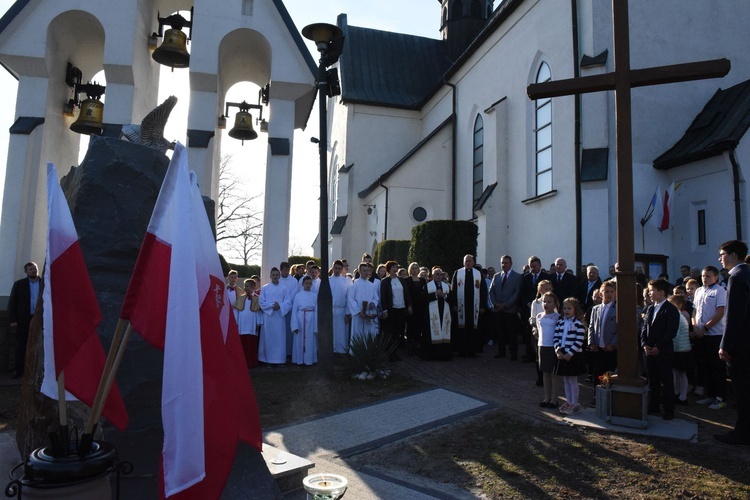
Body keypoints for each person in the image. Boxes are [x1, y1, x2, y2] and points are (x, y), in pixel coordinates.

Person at [716, 240, 750, 446]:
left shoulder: (736, 277)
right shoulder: (747, 273)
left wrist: (725, 345)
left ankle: (742, 433)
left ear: (734, 255)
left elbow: (734, 315)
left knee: (742, 390)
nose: (720, 258)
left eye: (722, 254)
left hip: (740, 344)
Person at [641, 279, 680, 420]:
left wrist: (659, 347)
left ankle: (669, 410)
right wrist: (644, 344)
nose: (649, 294)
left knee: (666, 381)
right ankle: (653, 405)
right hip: (649, 351)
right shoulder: (650, 308)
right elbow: (644, 328)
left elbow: (670, 332)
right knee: (653, 380)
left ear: (661, 292)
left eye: (652, 291)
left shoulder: (670, 309)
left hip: (663, 352)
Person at [692, 266, 728, 410]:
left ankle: (721, 398)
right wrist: (695, 327)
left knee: (717, 367)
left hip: (715, 335)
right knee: (705, 366)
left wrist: (706, 327)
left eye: (707, 276)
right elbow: (695, 311)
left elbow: (720, 313)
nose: (704, 278)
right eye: (702, 276)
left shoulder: (720, 291)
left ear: (715, 277)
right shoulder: (699, 290)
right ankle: (711, 395)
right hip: (701, 335)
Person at [7, 262, 42, 378]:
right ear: (26, 272)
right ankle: (19, 370)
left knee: (38, 345)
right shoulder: (19, 285)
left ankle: (37, 371)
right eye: (31, 269)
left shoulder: (44, 284)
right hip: (24, 319)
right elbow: (12, 303)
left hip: (39, 319)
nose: (33, 270)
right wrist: (13, 320)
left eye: (35, 268)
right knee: (21, 345)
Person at [553, 297, 586, 415]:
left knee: (573, 380)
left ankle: (574, 403)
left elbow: (579, 340)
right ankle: (568, 401)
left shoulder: (578, 324)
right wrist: (558, 350)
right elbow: (556, 337)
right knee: (565, 380)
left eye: (569, 308)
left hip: (573, 355)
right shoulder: (561, 322)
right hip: (562, 354)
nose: (566, 310)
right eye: (565, 308)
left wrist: (570, 353)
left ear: (575, 309)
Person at [450, 254, 487, 357]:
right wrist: (454, 304)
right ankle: (461, 350)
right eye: (466, 261)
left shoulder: (478, 274)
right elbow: (453, 290)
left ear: (473, 263)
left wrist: (483, 306)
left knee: (473, 329)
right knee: (461, 329)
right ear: (463, 262)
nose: (468, 263)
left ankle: (472, 350)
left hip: (474, 306)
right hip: (461, 306)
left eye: (470, 261)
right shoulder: (458, 273)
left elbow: (483, 291)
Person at [488, 255, 522, 360]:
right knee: (500, 332)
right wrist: (495, 304)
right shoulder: (496, 276)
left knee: (512, 333)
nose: (504, 265)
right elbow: (491, 291)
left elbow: (517, 293)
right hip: (498, 309)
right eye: (502, 263)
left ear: (511, 264)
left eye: (506, 263)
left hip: (510, 310)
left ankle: (513, 353)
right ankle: (501, 351)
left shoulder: (517, 277)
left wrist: (506, 304)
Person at [258, 267, 291, 366]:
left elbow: (288, 302)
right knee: (269, 338)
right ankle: (268, 360)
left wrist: (280, 306)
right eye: (273, 275)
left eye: (277, 275)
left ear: (279, 276)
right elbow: (261, 302)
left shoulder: (284, 288)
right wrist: (272, 306)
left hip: (279, 317)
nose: (275, 276)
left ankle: (279, 360)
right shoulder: (265, 288)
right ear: (270, 276)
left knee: (279, 338)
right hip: (269, 317)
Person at [380, 260, 412, 360]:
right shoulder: (385, 281)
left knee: (398, 331)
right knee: (391, 332)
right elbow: (383, 296)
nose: (395, 269)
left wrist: (409, 305)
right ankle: (390, 353)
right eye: (393, 267)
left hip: (401, 308)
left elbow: (406, 293)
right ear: (389, 269)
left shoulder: (401, 280)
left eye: (396, 267)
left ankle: (396, 352)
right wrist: (385, 310)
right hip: (391, 309)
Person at [587, 281, 618, 383]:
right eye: (606, 292)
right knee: (597, 373)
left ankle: (607, 396)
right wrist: (591, 342)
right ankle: (597, 395)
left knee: (609, 374)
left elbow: (619, 329)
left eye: (611, 292)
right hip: (598, 347)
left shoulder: (617, 309)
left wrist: (613, 344)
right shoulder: (595, 309)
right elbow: (591, 326)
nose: (609, 294)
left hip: (609, 347)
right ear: (601, 294)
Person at [537, 291, 561, 409]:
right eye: (544, 301)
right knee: (545, 373)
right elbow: (538, 330)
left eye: (549, 302)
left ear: (555, 304)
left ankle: (554, 399)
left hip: (553, 346)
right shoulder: (539, 316)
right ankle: (546, 397)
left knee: (554, 374)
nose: (546, 304)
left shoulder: (558, 317)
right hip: (542, 345)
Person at [668, 294, 693, 406]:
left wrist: (671, 349)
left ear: (678, 305)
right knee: (677, 373)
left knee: (681, 374)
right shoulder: (677, 316)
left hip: (680, 350)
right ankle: (678, 393)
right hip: (682, 349)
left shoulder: (677, 317)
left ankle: (682, 396)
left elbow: (675, 336)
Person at [424, 266, 452, 360]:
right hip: (431, 314)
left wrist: (444, 296)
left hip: (444, 312)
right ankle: (431, 355)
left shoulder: (446, 286)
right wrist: (435, 294)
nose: (439, 276)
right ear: (432, 275)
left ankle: (444, 355)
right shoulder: (427, 286)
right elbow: (423, 299)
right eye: (437, 274)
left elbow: (452, 299)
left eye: (441, 274)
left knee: (445, 331)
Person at [347, 262, 379, 345]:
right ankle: (356, 353)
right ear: (359, 271)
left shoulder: (372, 285)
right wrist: (358, 311)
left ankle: (367, 352)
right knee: (358, 334)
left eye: (367, 270)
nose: (366, 273)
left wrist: (373, 303)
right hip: (358, 315)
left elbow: (376, 298)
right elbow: (351, 299)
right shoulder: (355, 285)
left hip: (369, 314)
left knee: (368, 334)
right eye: (364, 270)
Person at [234, 278, 262, 368]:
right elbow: (237, 311)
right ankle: (243, 362)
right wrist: (236, 322)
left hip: (252, 325)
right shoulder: (240, 298)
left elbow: (258, 312)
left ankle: (251, 362)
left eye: (247, 286)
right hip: (242, 325)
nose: (245, 288)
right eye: (245, 286)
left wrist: (258, 323)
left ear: (253, 287)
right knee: (243, 344)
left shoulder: (257, 299)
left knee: (251, 344)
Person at [291, 276, 318, 366]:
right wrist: (294, 325)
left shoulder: (314, 296)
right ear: (302, 284)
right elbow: (294, 311)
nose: (308, 285)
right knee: (299, 339)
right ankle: (299, 360)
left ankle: (309, 360)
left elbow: (317, 310)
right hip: (300, 318)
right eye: (306, 283)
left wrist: (315, 327)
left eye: (310, 283)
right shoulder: (298, 296)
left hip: (311, 318)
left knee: (310, 340)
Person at [330, 260, 352, 354]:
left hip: (342, 311)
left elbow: (349, 298)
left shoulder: (346, 281)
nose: (337, 270)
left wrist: (348, 313)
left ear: (342, 269)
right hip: (331, 311)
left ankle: (341, 352)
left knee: (342, 333)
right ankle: (331, 351)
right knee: (331, 332)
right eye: (336, 268)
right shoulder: (327, 281)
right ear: (332, 268)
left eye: (339, 268)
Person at [405, 262, 427, 355]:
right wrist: (409, 305)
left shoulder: (422, 280)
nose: (414, 270)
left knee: (419, 325)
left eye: (416, 268)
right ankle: (410, 346)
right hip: (411, 305)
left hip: (420, 306)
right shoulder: (407, 280)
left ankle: (418, 344)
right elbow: (407, 294)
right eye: (413, 268)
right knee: (411, 326)